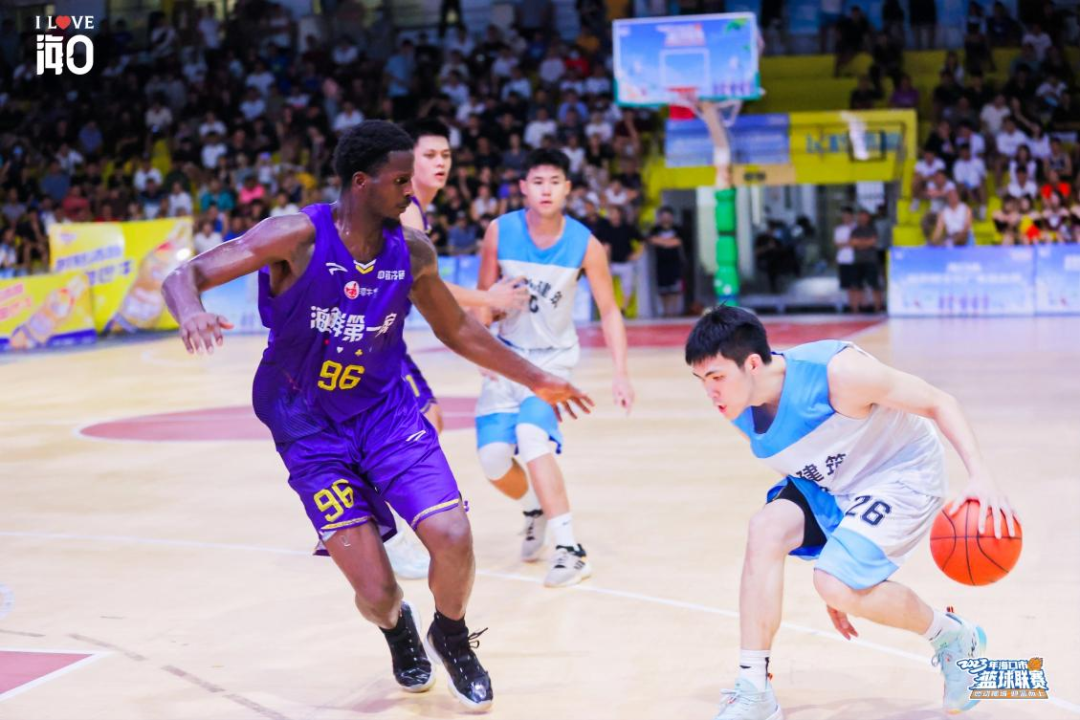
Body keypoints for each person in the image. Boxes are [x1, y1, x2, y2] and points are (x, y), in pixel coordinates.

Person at [161, 122, 593, 712]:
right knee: (377, 592)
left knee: (452, 534)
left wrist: (535, 376)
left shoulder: (411, 251)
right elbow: (183, 275)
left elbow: (458, 329)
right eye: (400, 180)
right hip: (307, 426)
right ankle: (397, 627)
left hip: (385, 412)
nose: (411, 191)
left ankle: (452, 635)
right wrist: (190, 312)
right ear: (361, 182)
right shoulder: (295, 235)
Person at [685, 306, 1018, 720]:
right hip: (836, 482)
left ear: (752, 364)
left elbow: (938, 401)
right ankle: (754, 690)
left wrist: (981, 476)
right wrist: (840, 552)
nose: (710, 392)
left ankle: (950, 635)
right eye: (701, 380)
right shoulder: (739, 407)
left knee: (834, 583)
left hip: (901, 472)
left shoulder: (838, 373)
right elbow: (804, 461)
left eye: (716, 377)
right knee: (766, 529)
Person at [311, 119, 530, 579]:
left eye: (445, 155)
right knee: (420, 421)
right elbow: (425, 285)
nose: (440, 163)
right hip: (360, 337)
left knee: (419, 420)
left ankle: (361, 522)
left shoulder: (414, 211)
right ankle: (381, 532)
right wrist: (488, 298)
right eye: (429, 156)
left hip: (375, 336)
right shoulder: (407, 212)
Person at [472, 148, 634, 588]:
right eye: (537, 181)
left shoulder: (585, 244)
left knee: (531, 436)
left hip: (552, 360)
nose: (546, 190)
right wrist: (482, 346)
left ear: (567, 188)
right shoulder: (499, 232)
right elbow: (482, 296)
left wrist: (621, 371)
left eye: (554, 181)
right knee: (493, 460)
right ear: (523, 187)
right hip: (507, 356)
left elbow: (609, 310)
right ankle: (535, 507)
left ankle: (570, 550)